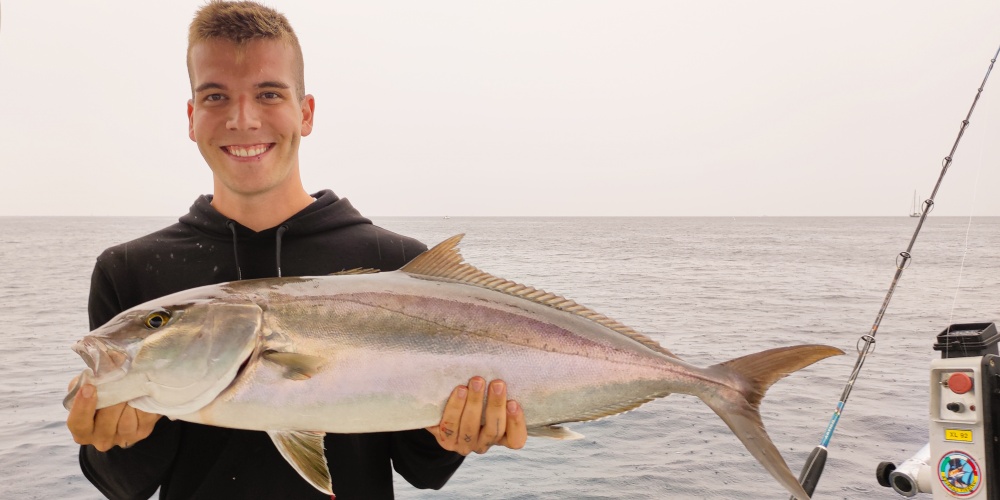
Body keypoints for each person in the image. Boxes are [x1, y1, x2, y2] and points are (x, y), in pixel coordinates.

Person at [64, 1, 527, 498]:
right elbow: (123, 486)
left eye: (268, 94)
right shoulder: (129, 271)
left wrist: (458, 434)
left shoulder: (396, 264)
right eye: (216, 96)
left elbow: (422, 469)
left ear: (305, 113)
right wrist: (116, 439)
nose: (242, 119)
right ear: (191, 115)